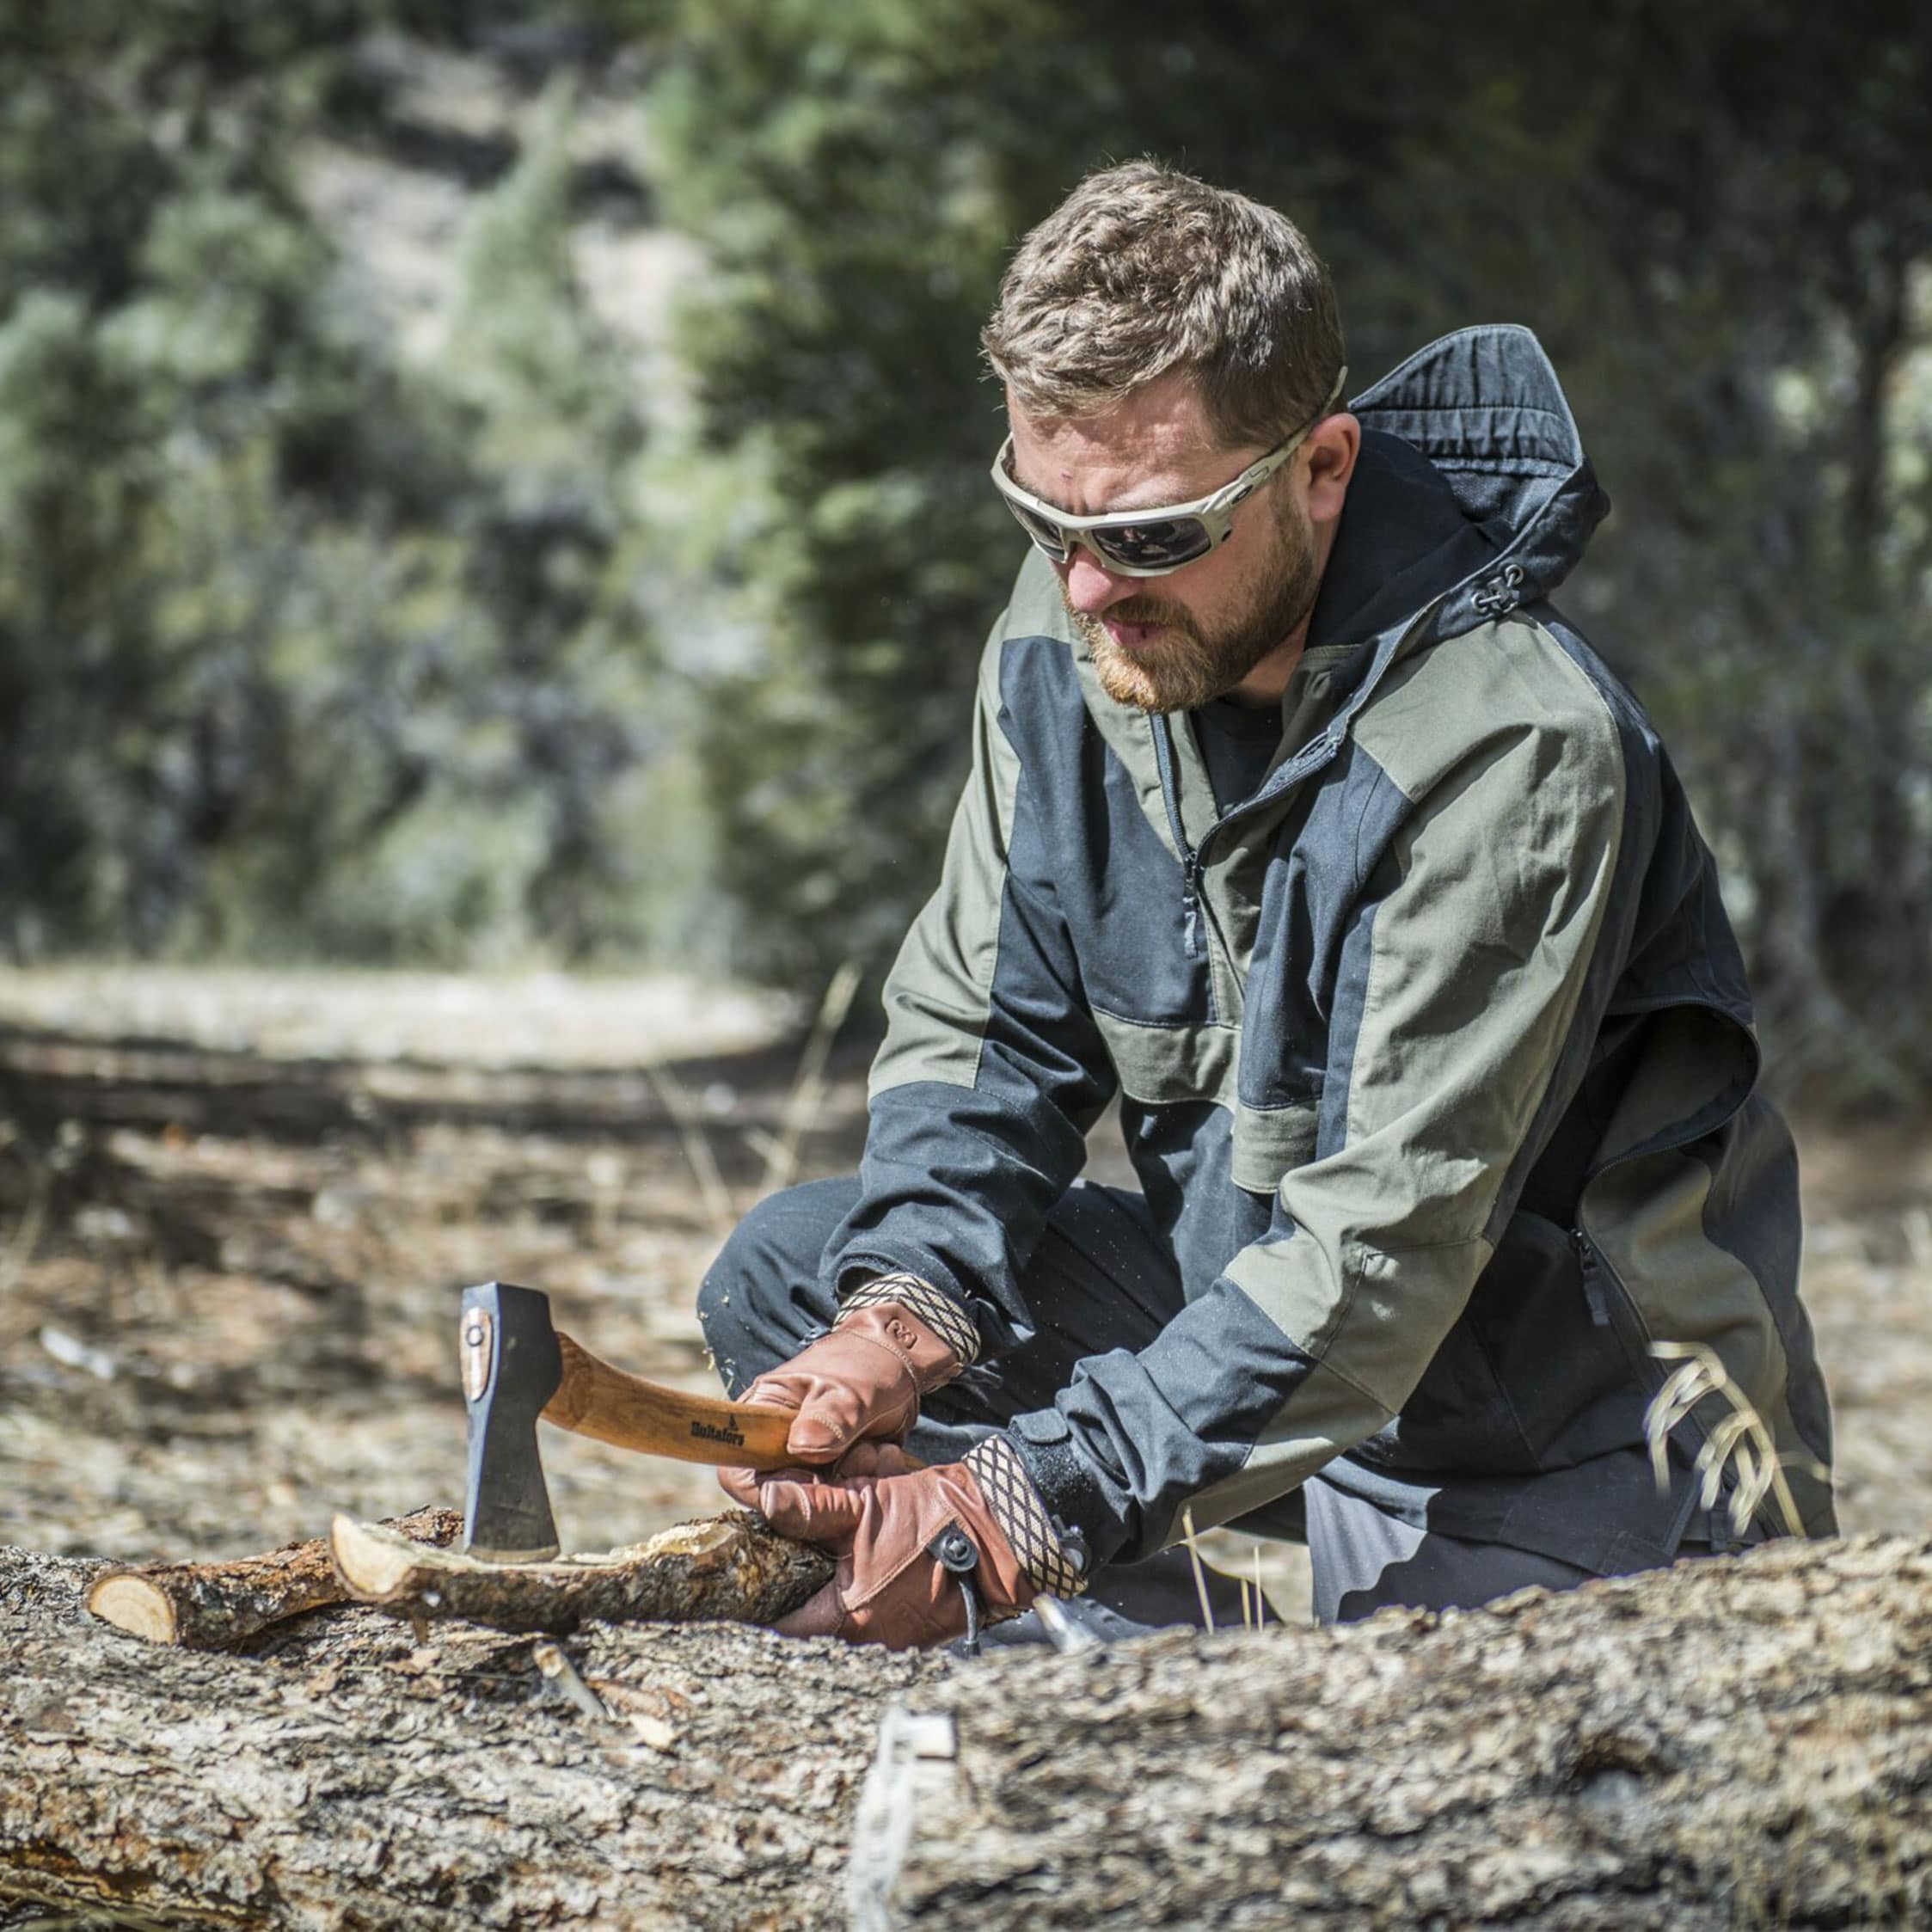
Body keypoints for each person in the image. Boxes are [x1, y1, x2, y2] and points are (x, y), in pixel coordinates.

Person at [696, 160, 1835, 1649]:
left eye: (1155, 534)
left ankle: (1190, 1686)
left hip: (1576, 1429)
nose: (1091, 587)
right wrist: (901, 1318)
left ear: (1322, 467)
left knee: (1421, 1818)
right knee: (799, 1273)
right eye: (1045, 519)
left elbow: (1378, 1256)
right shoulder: (1075, 636)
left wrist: (1021, 1505)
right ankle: (1134, 1698)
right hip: (1278, 1352)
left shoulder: (1514, 748)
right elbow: (991, 1039)